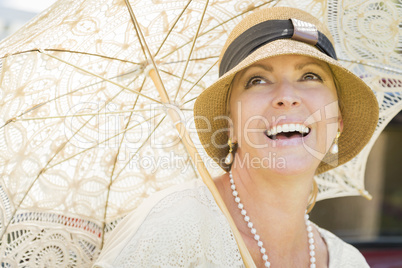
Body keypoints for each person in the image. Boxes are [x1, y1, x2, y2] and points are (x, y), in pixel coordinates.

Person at [93, 6, 378, 268]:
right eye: (257, 80)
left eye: (310, 76)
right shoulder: (168, 228)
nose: (287, 97)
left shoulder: (348, 261)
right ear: (228, 124)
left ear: (338, 119)